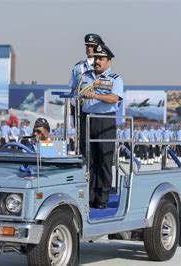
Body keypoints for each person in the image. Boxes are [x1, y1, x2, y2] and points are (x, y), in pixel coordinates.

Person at [78, 44, 123, 209]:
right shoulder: (85, 76)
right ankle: (88, 197)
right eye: (96, 58)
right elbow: (77, 92)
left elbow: (114, 99)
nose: (97, 61)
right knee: (88, 159)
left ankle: (102, 198)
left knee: (104, 160)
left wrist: (96, 95)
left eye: (101, 59)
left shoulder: (115, 79)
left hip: (104, 121)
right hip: (87, 119)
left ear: (108, 62)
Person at [68, 33, 105, 128]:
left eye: (92, 46)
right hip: (82, 111)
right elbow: (73, 93)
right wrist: (72, 115)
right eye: (88, 46)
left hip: (98, 109)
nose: (89, 48)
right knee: (82, 141)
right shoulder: (78, 68)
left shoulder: (103, 67)